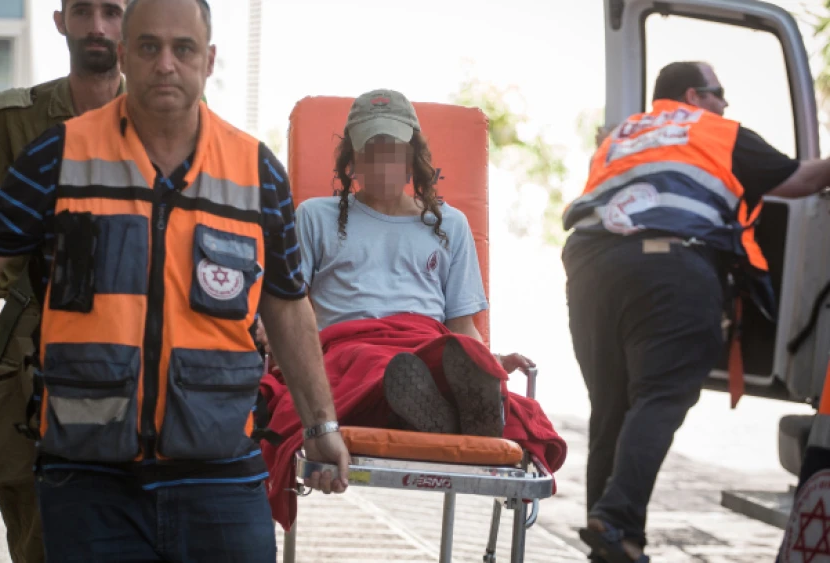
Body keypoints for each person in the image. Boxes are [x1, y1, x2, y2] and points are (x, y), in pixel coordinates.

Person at [0, 0, 349, 561]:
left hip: (220, 478)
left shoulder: (256, 171)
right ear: (125, 55)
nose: (165, 64)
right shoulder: (59, 156)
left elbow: (288, 305)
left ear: (208, 60)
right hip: (89, 481)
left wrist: (320, 423)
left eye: (182, 49)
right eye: (149, 47)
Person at [258, 89, 568, 531]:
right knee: (378, 364)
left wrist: (490, 362)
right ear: (352, 159)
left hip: (425, 344)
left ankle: (443, 411)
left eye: (394, 150)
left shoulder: (449, 223)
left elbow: (462, 326)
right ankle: (436, 413)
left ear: (413, 156)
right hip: (349, 347)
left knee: (458, 356)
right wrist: (269, 333)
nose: (383, 162)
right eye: (372, 150)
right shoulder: (315, 217)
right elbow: (286, 305)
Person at [562, 61, 830, 562]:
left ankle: (613, 540)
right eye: (718, 92)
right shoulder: (715, 131)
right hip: (671, 263)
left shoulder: (623, 134)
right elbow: (800, 180)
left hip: (589, 264)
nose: (725, 103)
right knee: (662, 393)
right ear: (693, 95)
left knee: (611, 405)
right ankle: (617, 521)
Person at [0, 1, 126, 560]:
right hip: (32, 347)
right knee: (38, 533)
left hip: (135, 348)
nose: (97, 26)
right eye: (83, 10)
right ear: (60, 21)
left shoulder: (167, 116)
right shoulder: (15, 120)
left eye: (113, 11)